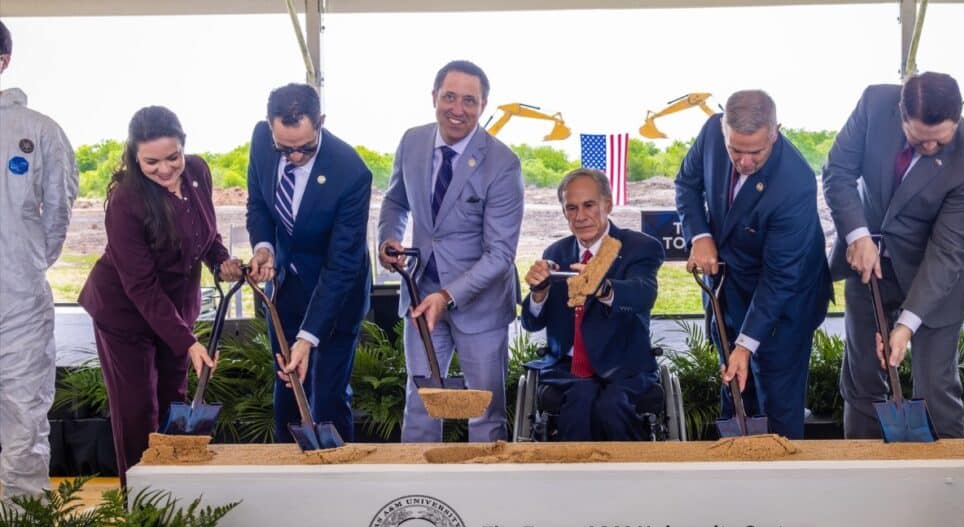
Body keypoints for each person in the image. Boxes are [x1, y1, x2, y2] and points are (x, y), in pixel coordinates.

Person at [823, 72, 964, 440]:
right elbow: (838, 172)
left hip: (935, 279)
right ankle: (867, 480)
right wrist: (858, 235)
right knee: (863, 382)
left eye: (940, 140)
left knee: (935, 387)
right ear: (901, 115)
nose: (930, 147)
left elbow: (947, 249)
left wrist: (905, 325)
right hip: (869, 267)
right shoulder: (873, 104)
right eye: (919, 139)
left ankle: (946, 485)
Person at [78, 106, 239, 486]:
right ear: (134, 156)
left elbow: (205, 235)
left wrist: (222, 262)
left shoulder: (198, 172)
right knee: (137, 411)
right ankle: (140, 504)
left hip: (175, 311)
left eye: (173, 157)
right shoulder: (126, 200)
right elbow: (141, 286)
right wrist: (187, 342)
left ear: (184, 148)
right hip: (125, 314)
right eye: (151, 162)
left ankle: (173, 492)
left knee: (174, 401)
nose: (165, 169)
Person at [378, 60, 524, 443]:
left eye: (470, 101)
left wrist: (446, 296)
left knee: (485, 411)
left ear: (484, 104)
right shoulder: (411, 142)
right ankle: (419, 494)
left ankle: (486, 498)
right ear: (434, 97)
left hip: (481, 305)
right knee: (422, 402)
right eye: (450, 97)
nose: (458, 109)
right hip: (419, 296)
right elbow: (395, 202)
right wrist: (387, 239)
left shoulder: (503, 163)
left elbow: (500, 254)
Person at [675, 90, 831, 439]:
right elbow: (686, 184)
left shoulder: (796, 182)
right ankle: (734, 479)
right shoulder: (711, 132)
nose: (744, 162)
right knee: (734, 390)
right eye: (735, 150)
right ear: (723, 130)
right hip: (728, 287)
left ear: (775, 132)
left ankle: (782, 485)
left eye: (755, 152)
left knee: (777, 404)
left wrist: (746, 345)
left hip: (786, 301)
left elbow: (779, 278)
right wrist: (699, 234)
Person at [246, 83, 372, 444]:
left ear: (321, 123)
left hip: (336, 296)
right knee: (286, 393)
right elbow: (258, 203)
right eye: (285, 148)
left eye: (305, 148)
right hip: (286, 292)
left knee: (327, 396)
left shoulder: (351, 172)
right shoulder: (261, 140)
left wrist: (307, 338)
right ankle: (288, 482)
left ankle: (337, 483)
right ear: (270, 127)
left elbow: (343, 264)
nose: (295, 157)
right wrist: (265, 248)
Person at [521, 168, 665, 441]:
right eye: (571, 208)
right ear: (564, 212)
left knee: (611, 406)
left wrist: (603, 288)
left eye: (589, 205)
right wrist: (539, 292)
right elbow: (531, 322)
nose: (580, 216)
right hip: (568, 367)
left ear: (607, 204)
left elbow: (643, 294)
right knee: (580, 401)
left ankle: (629, 476)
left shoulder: (639, 247)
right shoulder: (556, 253)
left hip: (624, 366)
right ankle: (575, 479)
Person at [0, 20, 78, 499]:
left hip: (18, 300)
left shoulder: (39, 132)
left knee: (25, 413)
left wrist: (25, 266)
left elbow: (59, 215)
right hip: (19, 285)